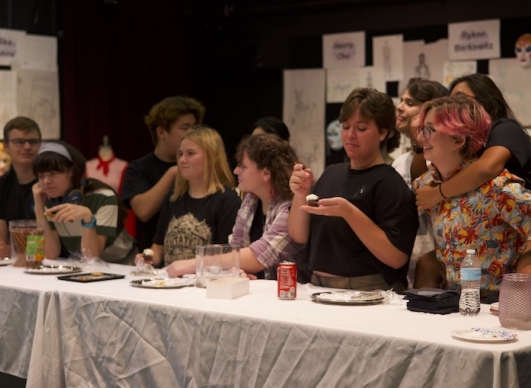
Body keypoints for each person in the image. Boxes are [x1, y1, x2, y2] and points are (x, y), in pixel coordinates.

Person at [414, 73, 531, 296]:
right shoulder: (427, 184)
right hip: (448, 303)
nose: (420, 138)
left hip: (495, 306)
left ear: (458, 140)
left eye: (430, 130)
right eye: (421, 129)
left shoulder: (497, 189)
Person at [288, 88, 418, 293]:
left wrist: (349, 213)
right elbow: (299, 235)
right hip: (317, 285)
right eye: (346, 126)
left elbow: (396, 257)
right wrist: (300, 194)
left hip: (368, 289)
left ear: (383, 132)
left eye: (362, 128)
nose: (350, 135)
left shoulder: (390, 183)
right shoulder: (331, 173)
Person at [167, 134, 308, 280]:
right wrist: (237, 270)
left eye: (242, 166)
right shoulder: (250, 201)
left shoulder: (291, 206)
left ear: (265, 173)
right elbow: (236, 248)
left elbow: (259, 256)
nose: (236, 171)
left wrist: (198, 262)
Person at [145, 126, 240, 271]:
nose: (182, 160)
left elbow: (227, 256)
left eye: (190, 154)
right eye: (181, 153)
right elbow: (158, 247)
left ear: (211, 158)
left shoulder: (227, 200)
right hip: (169, 282)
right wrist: (148, 257)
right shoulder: (172, 198)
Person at [121, 96, 205, 252]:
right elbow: (143, 211)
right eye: (185, 127)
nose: (192, 133)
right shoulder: (139, 168)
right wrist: (173, 173)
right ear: (161, 132)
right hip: (155, 259)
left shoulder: (202, 164)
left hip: (198, 258)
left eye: (195, 127)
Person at [32, 142, 135, 263]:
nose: (46, 181)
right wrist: (39, 209)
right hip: (84, 267)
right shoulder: (50, 201)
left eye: (53, 174)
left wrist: (87, 218)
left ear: (71, 171)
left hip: (123, 264)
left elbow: (92, 255)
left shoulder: (103, 196)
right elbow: (50, 254)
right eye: (41, 176)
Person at [391, 77, 448, 287]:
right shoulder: (398, 162)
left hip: (438, 269)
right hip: (406, 264)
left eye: (410, 103)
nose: (400, 108)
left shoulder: (444, 161)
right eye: (401, 100)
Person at [0, 117, 42, 259]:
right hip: (19, 261)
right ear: (6, 147)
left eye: (33, 142)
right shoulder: (1, 185)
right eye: (19, 142)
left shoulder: (49, 182)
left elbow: (51, 236)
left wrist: (14, 252)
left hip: (51, 260)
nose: (27, 147)